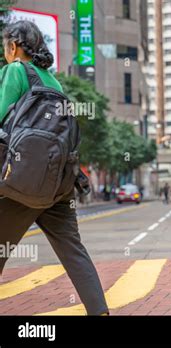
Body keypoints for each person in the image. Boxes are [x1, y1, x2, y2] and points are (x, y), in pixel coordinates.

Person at [0, 21, 108, 315]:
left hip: (20, 184)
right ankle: (99, 311)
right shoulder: (54, 81)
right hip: (58, 183)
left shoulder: (14, 71)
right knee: (73, 250)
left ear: (12, 46)